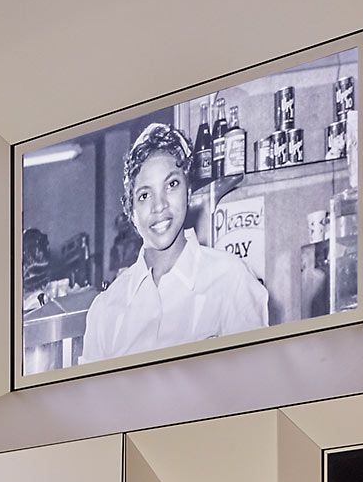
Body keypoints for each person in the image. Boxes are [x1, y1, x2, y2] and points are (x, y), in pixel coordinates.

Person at [80, 123, 268, 363]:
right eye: (144, 196)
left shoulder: (231, 279)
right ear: (131, 211)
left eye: (171, 185)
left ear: (189, 192)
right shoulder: (105, 309)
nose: (159, 206)